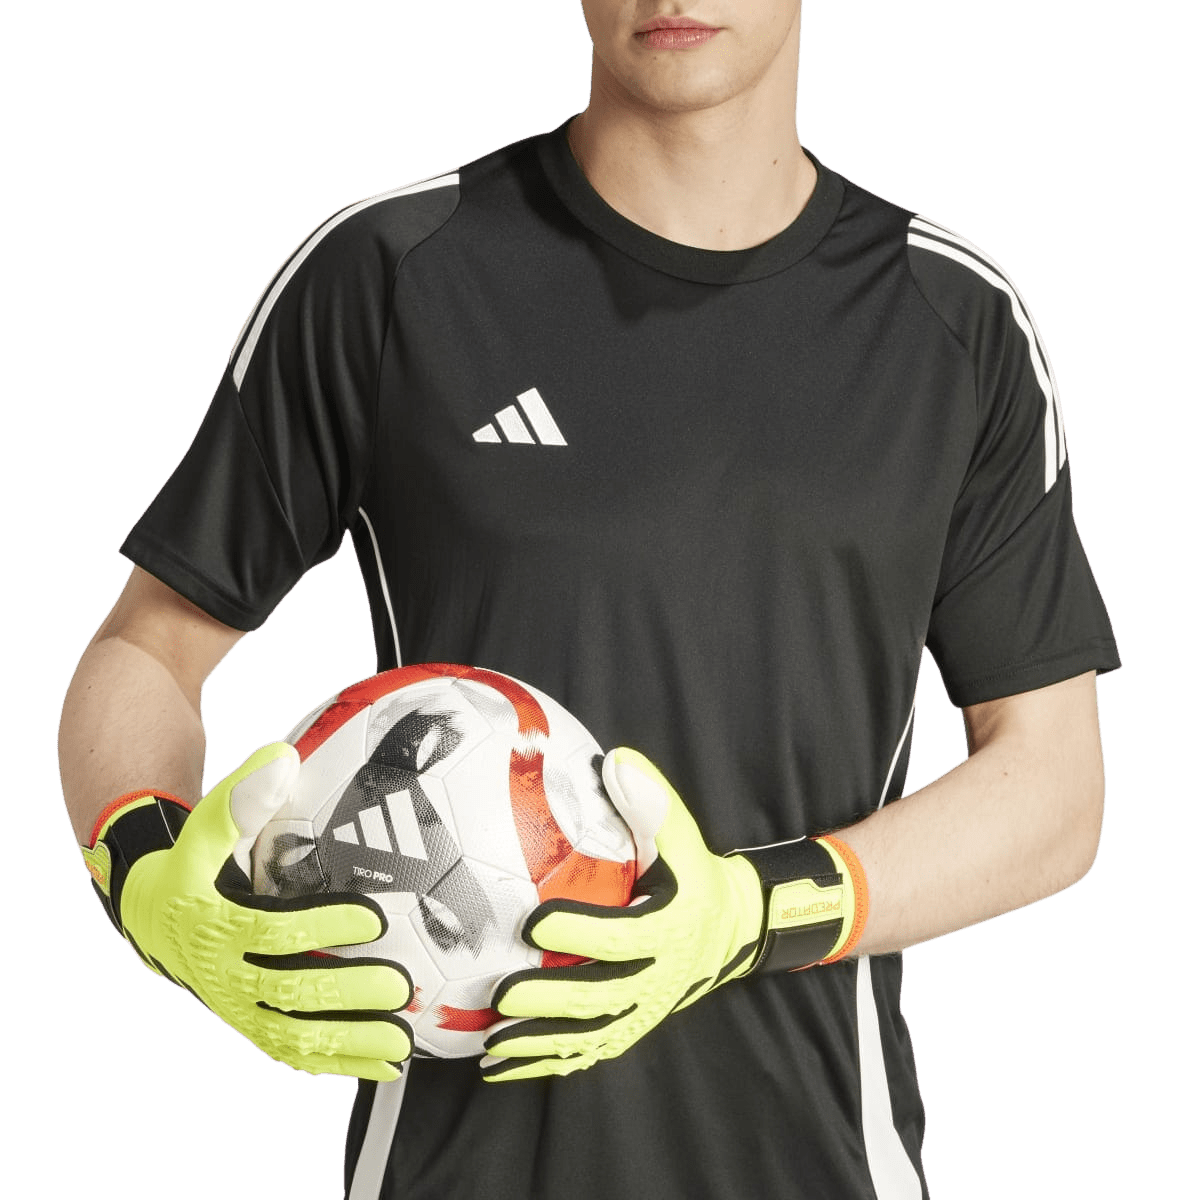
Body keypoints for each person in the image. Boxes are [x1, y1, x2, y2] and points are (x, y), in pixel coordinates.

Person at [58, 2, 1120, 1197]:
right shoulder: (394, 271)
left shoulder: (952, 319)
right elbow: (147, 648)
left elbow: (1053, 788)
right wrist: (147, 877)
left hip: (820, 1162)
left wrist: (746, 913)